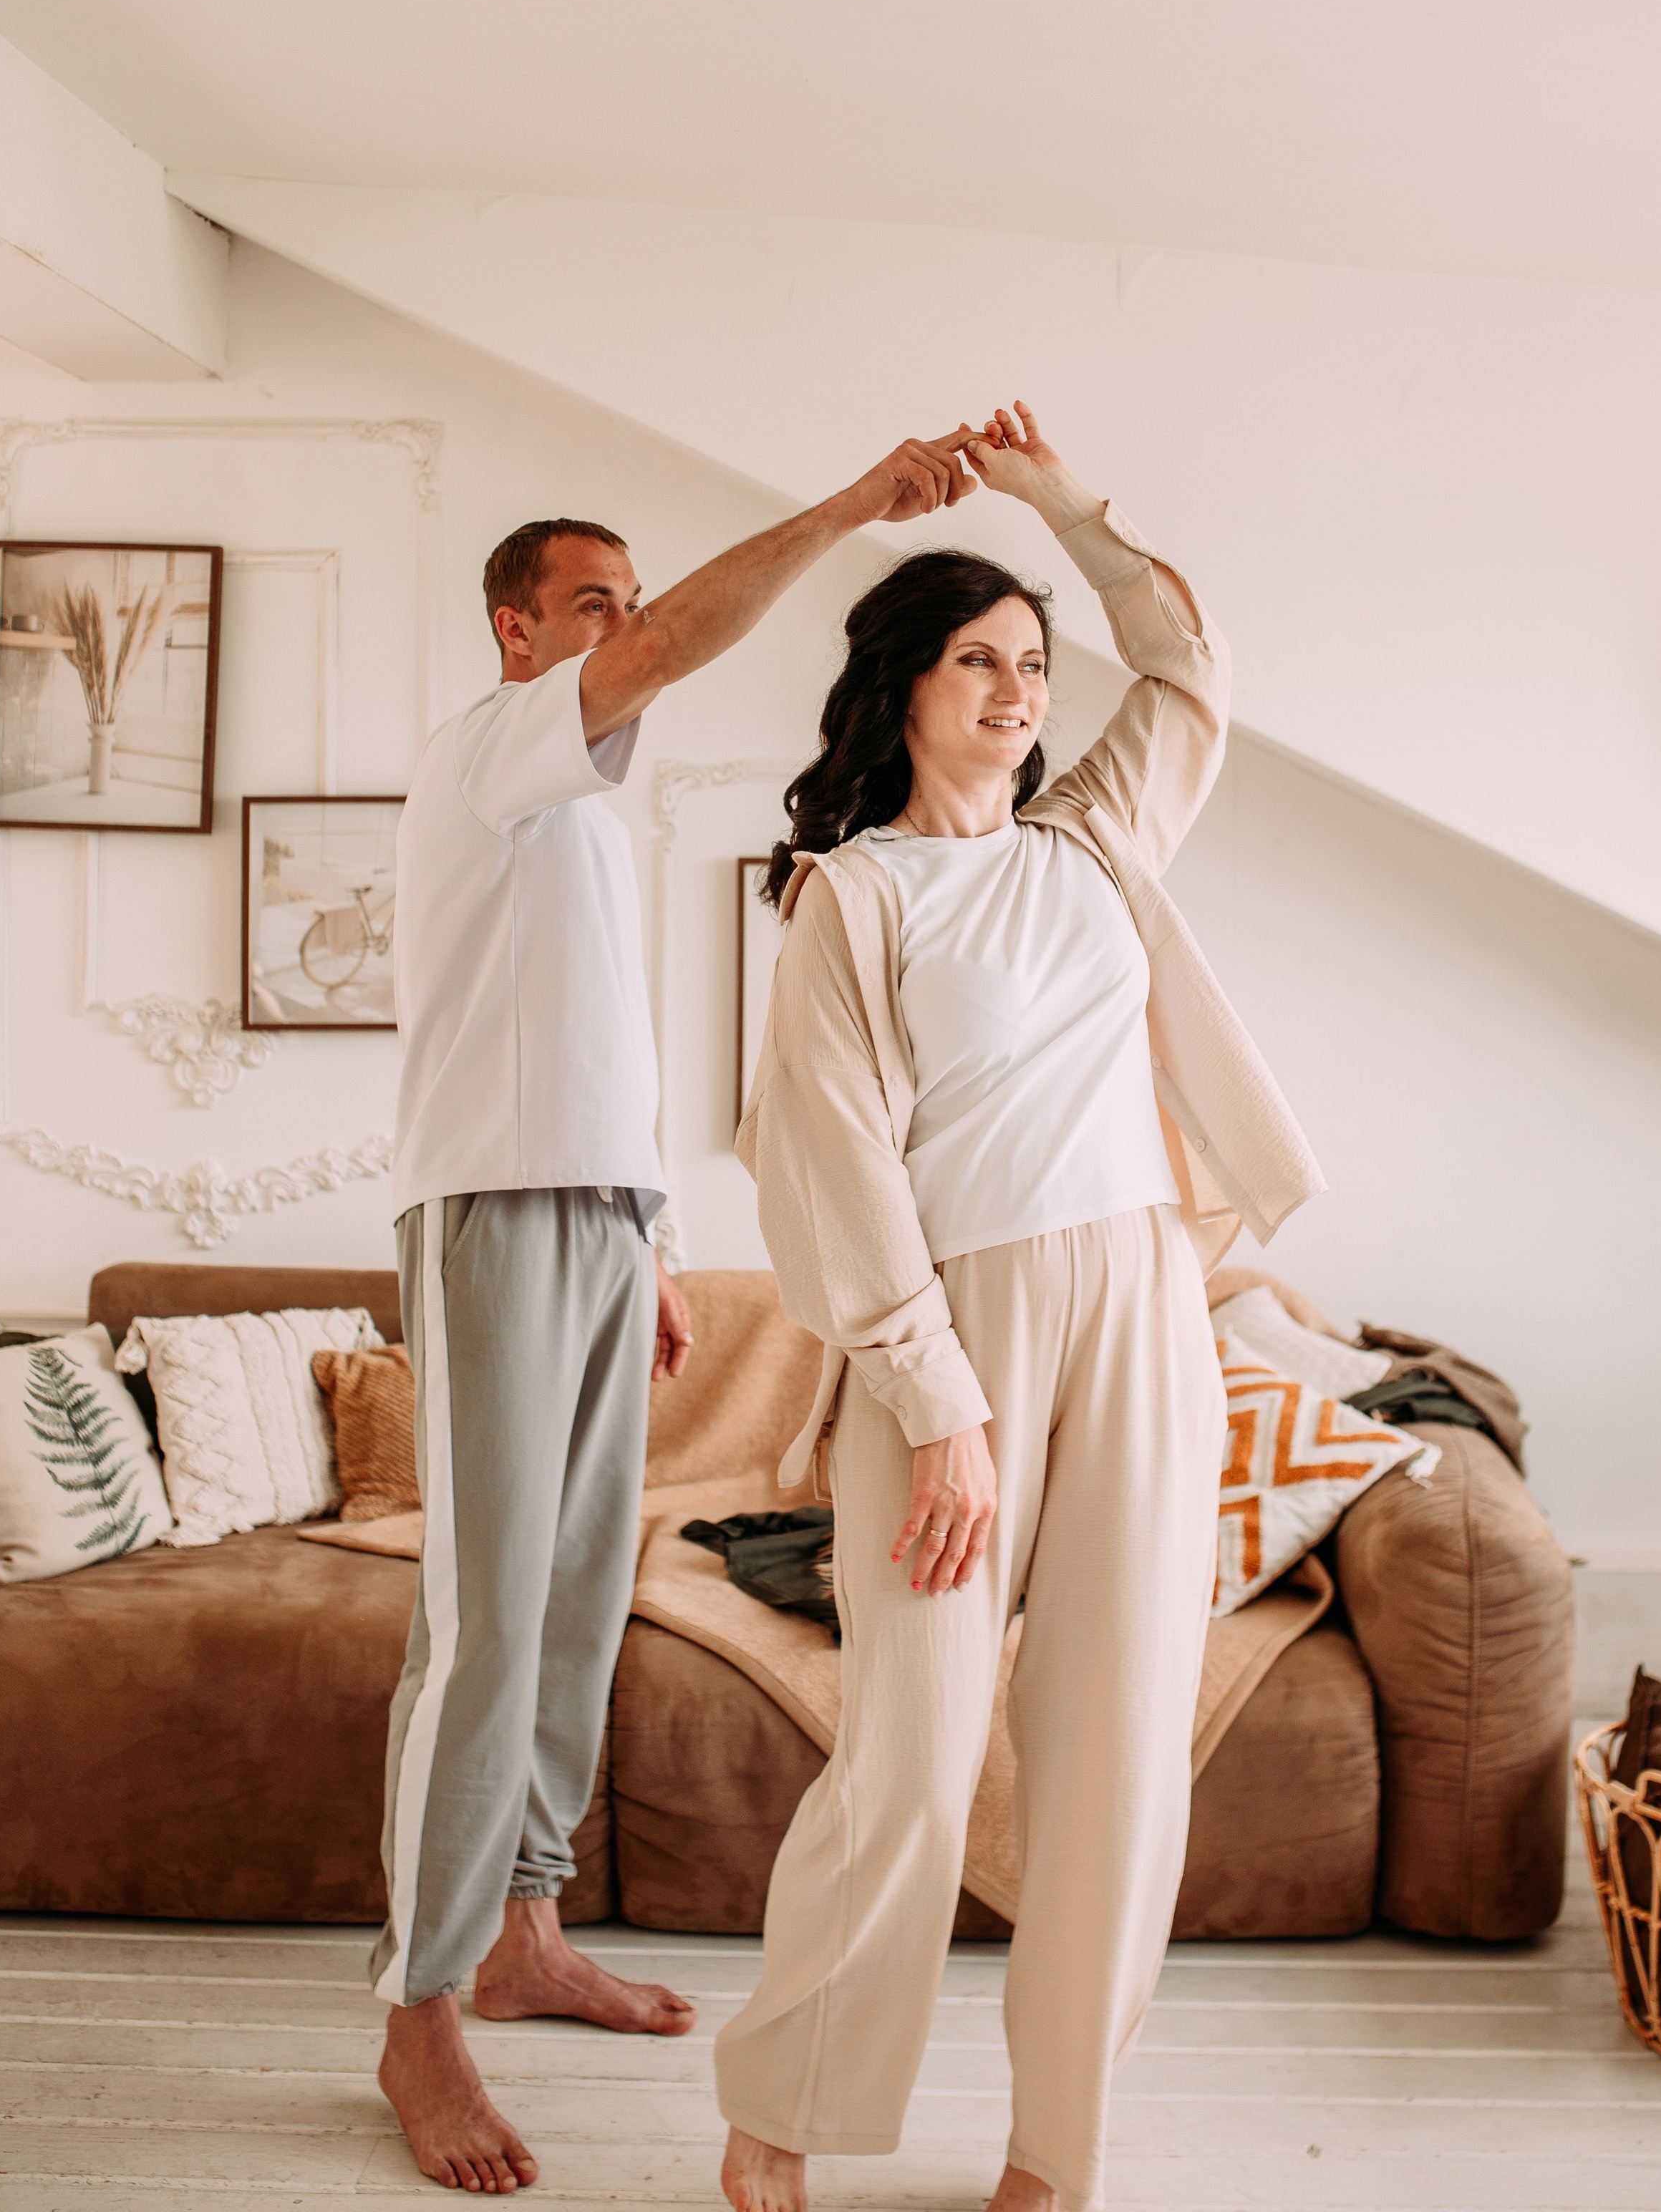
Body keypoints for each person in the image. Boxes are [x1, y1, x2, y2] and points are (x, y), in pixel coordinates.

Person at [717, 404, 1325, 2212]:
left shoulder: (1093, 839)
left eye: (1032, 660)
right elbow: (829, 1165)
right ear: (899, 685)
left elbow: (1190, 653)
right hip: (951, 1335)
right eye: (974, 657)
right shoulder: (854, 896)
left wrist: (1056, 498)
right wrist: (939, 1403)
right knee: (907, 1751)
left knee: (1119, 1750)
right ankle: (784, 2113)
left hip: (1141, 1292)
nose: (1012, 686)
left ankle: (1054, 2156)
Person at [374, 428, 985, 2196]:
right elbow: (675, 649)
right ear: (511, 629)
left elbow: (579, 1035)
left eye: (627, 605)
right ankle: (419, 2010)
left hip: (589, 1220)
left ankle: (523, 1932)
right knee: (484, 1621)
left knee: (573, 1597)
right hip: (485, 1215)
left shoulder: (579, 808)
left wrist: (645, 1232)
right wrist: (858, 509)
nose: (624, 629)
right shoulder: (500, 743)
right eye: (589, 605)